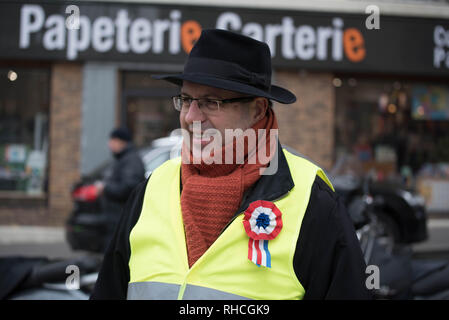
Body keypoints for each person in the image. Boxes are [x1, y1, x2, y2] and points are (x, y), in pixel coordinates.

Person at [91, 29, 373, 300]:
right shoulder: (152, 188)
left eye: (211, 102)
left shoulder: (313, 202)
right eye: (186, 99)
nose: (191, 117)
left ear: (258, 109)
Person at [95, 127, 145, 250]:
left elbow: (128, 187)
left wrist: (105, 188)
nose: (109, 144)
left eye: (113, 140)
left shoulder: (131, 160)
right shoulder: (122, 159)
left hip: (121, 217)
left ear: (122, 141)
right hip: (115, 218)